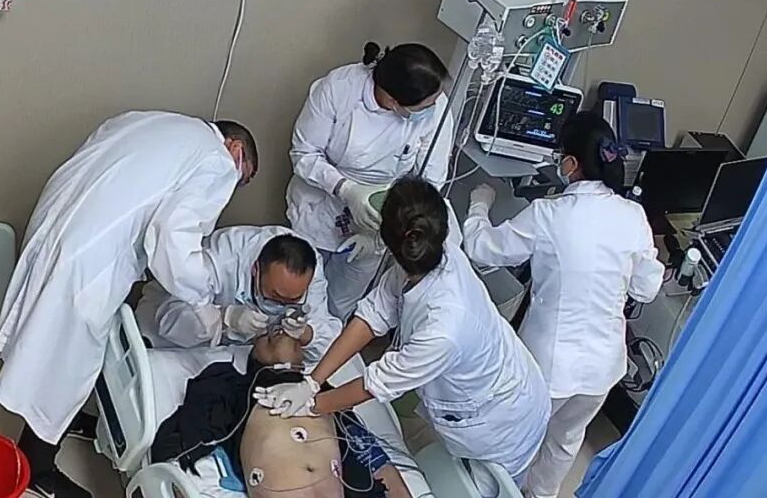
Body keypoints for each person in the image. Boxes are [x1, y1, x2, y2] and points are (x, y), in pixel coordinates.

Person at [0, 110, 258, 497]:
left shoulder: (156, 121)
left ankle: (57, 426)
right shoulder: (218, 161)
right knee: (69, 363)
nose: (236, 185)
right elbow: (173, 240)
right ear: (234, 147)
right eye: (243, 177)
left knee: (53, 349)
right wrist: (212, 307)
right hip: (90, 260)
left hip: (60, 222)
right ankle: (38, 469)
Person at [257, 177, 550, 491]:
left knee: (488, 489)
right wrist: (311, 382)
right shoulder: (423, 255)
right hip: (482, 388)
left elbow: (375, 383)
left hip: (504, 418)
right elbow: (372, 315)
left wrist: (312, 405)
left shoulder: (444, 328)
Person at [461, 112, 665, 498]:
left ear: (570, 163)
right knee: (565, 441)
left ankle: (481, 492)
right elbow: (646, 288)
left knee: (511, 440)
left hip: (549, 367)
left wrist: (479, 205)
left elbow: (481, 248)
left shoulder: (549, 214)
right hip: (603, 368)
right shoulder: (633, 215)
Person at [286, 42, 456, 321]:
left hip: (380, 222)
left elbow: (430, 181)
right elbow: (304, 154)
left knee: (341, 306)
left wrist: (384, 230)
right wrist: (346, 190)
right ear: (392, 101)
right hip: (321, 208)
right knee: (300, 298)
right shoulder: (339, 89)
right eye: (424, 106)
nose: (433, 108)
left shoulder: (434, 106)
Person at [150, 331, 413, 498]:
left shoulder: (328, 394)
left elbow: (362, 444)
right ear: (255, 355)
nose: (279, 330)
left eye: (292, 337)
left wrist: (397, 488)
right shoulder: (238, 387)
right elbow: (192, 424)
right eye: (267, 335)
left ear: (302, 359)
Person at [136, 226, 342, 362]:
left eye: (292, 300)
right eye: (275, 295)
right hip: (162, 337)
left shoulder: (309, 271)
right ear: (255, 270)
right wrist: (224, 318)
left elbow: (330, 344)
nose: (280, 306)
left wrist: (307, 334)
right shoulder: (222, 258)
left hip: (236, 353)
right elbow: (170, 318)